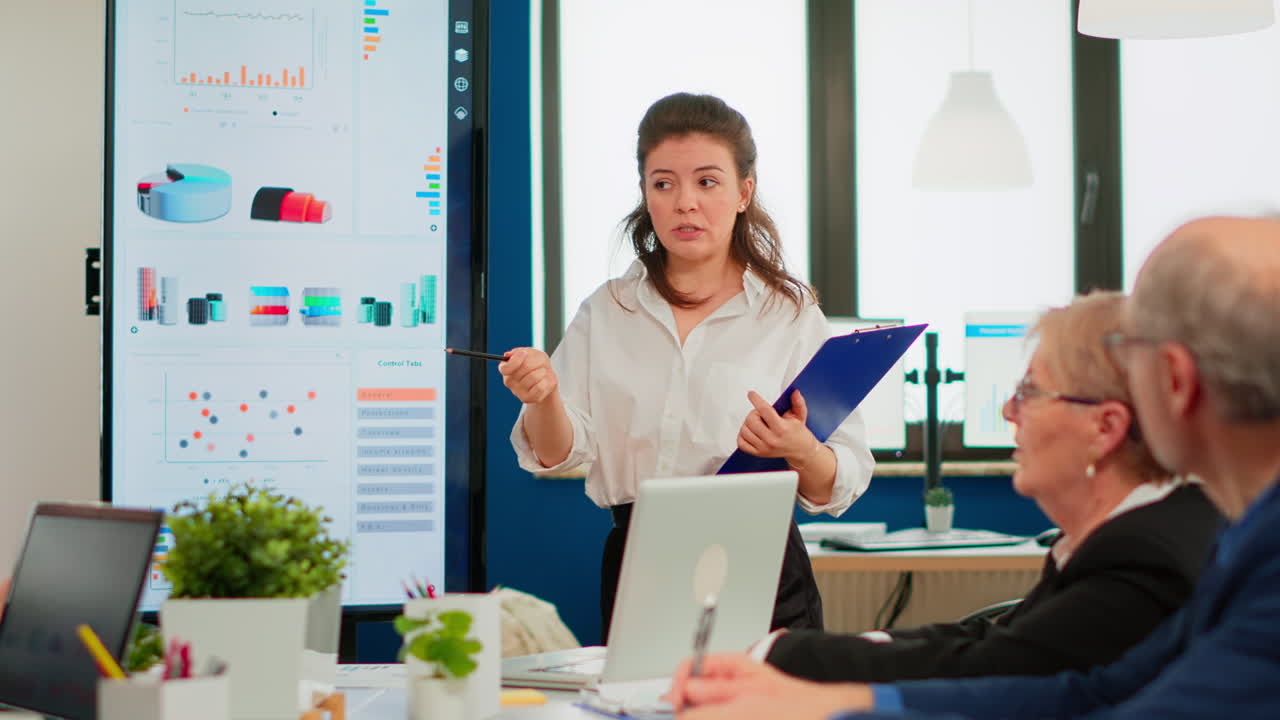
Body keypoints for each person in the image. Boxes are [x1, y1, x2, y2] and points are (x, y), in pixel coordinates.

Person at [667, 215, 1280, 719]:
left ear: (1172, 379)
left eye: (1132, 348)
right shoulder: (1241, 534)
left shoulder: (1221, 551)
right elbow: (1094, 692)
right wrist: (833, 700)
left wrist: (823, 703)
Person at [501, 92, 875, 638]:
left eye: (707, 181)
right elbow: (555, 455)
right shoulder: (607, 310)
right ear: (645, 193)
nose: (684, 203)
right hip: (642, 562)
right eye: (663, 183)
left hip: (764, 568)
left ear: (744, 191)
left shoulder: (788, 315)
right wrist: (543, 399)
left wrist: (800, 450)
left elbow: (838, 481)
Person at [762, 291, 1221, 683]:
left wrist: (784, 658)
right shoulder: (1141, 531)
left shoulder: (1143, 559)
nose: (1007, 411)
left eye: (1030, 394)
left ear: (1106, 427)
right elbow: (993, 642)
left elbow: (997, 665)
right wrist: (800, 653)